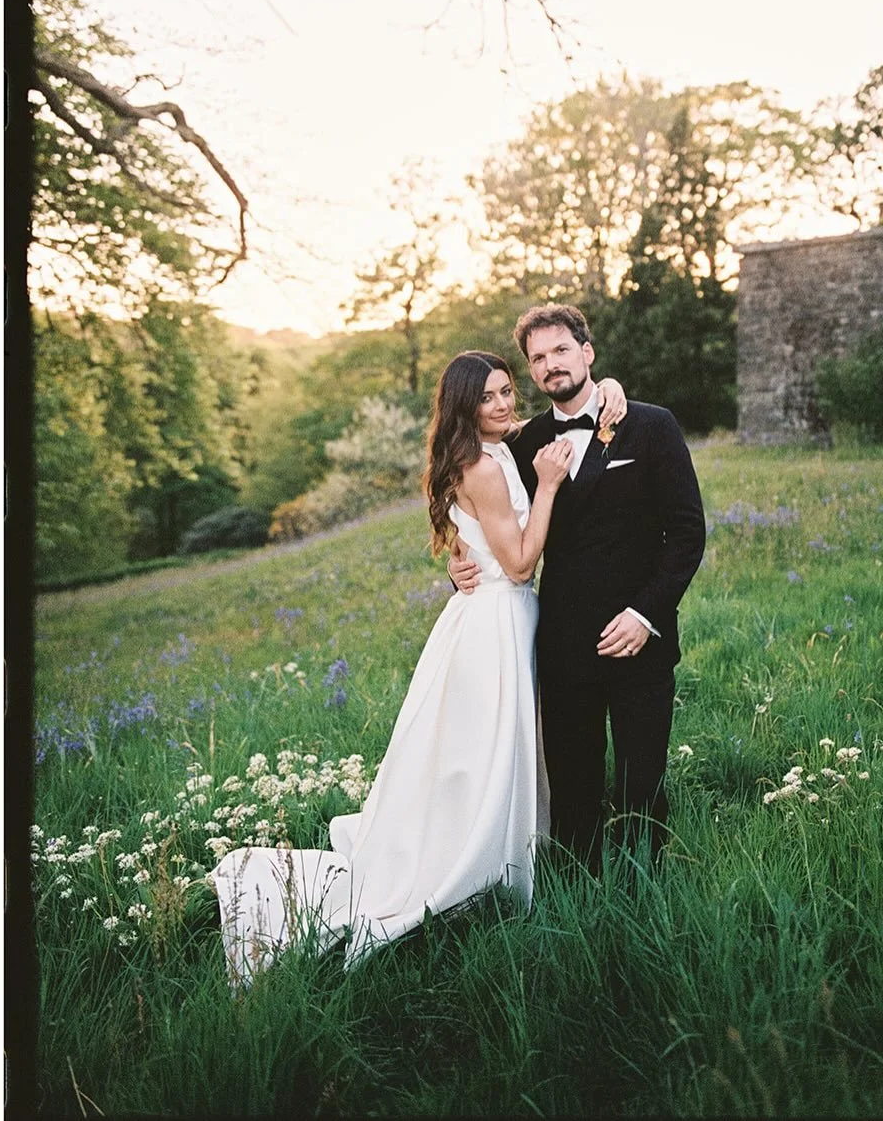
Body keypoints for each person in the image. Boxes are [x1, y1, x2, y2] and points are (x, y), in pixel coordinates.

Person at [210, 352, 626, 984]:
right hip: (496, 618)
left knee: (484, 750)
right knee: (487, 750)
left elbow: (550, 431)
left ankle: (504, 850)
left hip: (494, 615)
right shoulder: (483, 467)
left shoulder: (493, 450)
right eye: (487, 398)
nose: (504, 405)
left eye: (508, 391)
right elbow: (516, 564)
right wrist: (545, 487)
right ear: (464, 406)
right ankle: (478, 866)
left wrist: (612, 387)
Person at [450, 305, 706, 873]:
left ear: (586, 353)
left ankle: (647, 889)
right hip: (563, 642)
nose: (549, 365)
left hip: (641, 638)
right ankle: (578, 894)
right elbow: (478, 506)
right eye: (537, 359)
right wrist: (458, 559)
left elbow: (687, 534)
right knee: (572, 794)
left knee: (642, 783)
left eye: (560, 350)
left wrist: (646, 614)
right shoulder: (523, 443)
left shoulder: (652, 425)